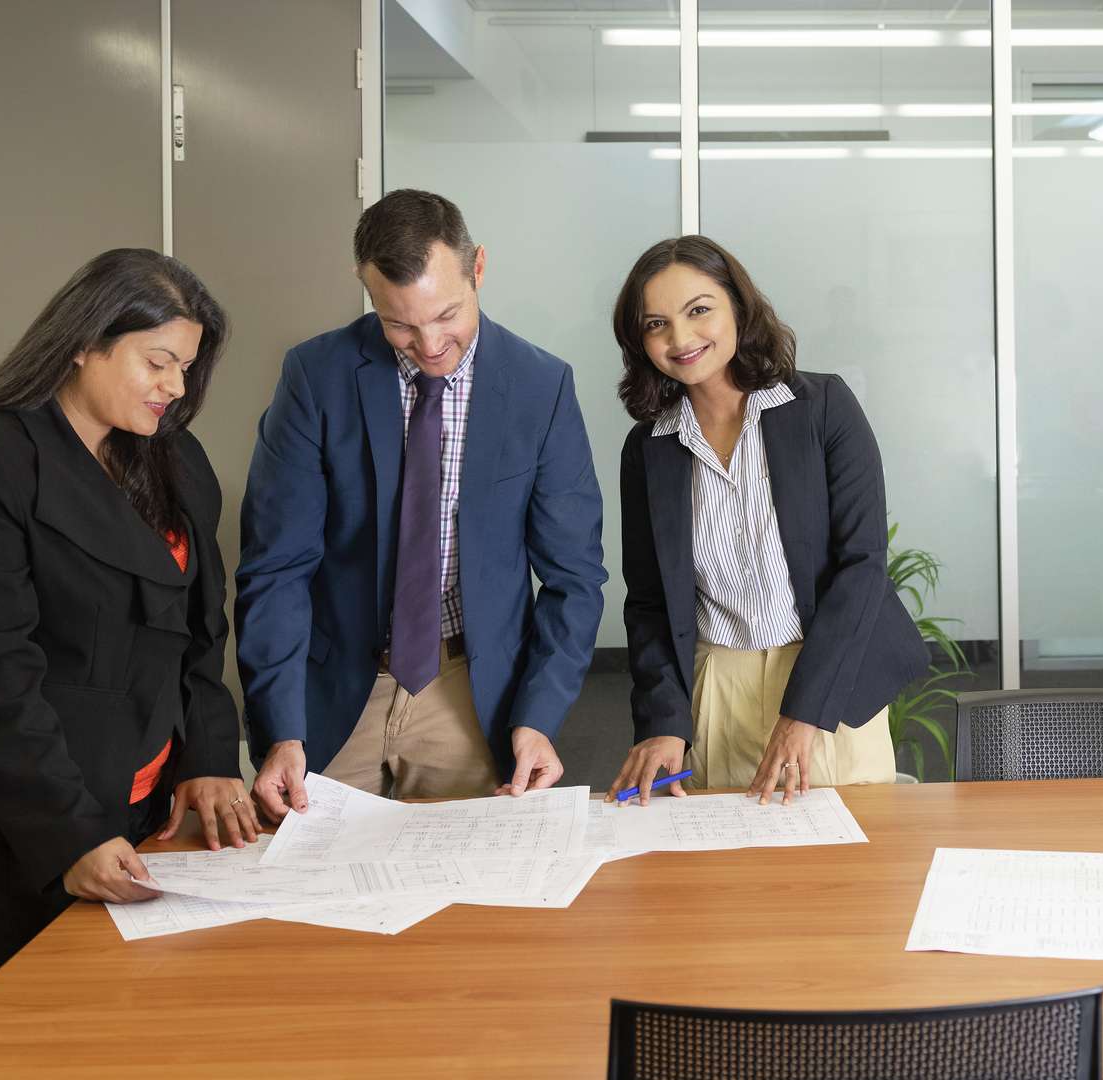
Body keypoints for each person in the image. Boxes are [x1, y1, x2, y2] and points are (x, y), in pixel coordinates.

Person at [0, 249, 254, 1020]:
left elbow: (200, 632)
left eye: (186, 367)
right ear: (84, 341)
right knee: (16, 1047)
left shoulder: (175, 457)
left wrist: (210, 757)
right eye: (158, 362)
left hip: (140, 809)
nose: (176, 387)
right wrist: (68, 834)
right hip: (9, 825)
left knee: (137, 1034)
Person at [237, 189, 607, 817]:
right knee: (313, 901)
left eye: (447, 315)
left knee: (473, 899)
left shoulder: (541, 387)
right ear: (367, 288)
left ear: (478, 268)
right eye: (400, 324)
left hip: (471, 690)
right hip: (333, 695)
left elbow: (574, 577)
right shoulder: (315, 375)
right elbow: (277, 565)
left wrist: (539, 715)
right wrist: (281, 726)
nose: (430, 344)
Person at [607, 236, 928, 806]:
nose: (680, 338)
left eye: (699, 310)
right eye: (656, 323)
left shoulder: (824, 408)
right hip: (717, 690)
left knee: (853, 877)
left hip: (829, 682)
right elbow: (650, 601)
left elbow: (862, 567)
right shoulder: (647, 449)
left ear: (738, 305)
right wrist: (663, 720)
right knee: (722, 881)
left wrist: (804, 712)